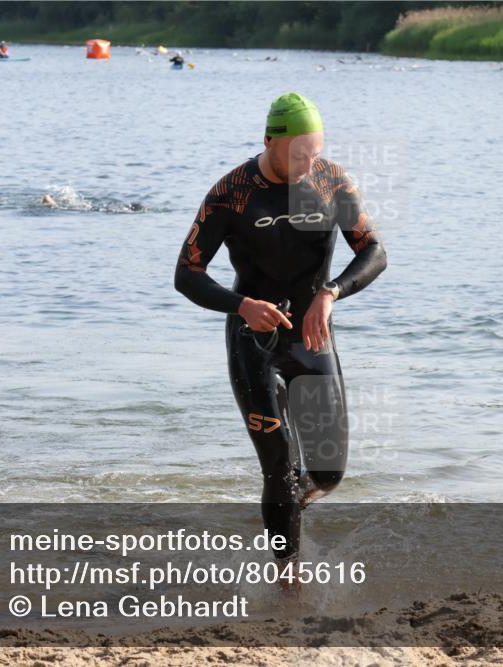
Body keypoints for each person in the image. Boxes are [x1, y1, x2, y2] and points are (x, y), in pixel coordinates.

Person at [174, 92, 386, 585]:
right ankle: (289, 580)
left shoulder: (331, 182)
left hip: (312, 339)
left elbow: (374, 251)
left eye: (314, 153)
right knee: (279, 467)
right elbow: (186, 274)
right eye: (298, 155)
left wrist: (331, 293)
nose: (307, 165)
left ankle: (286, 509)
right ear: (269, 141)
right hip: (254, 342)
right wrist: (241, 305)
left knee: (327, 474)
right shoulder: (232, 193)